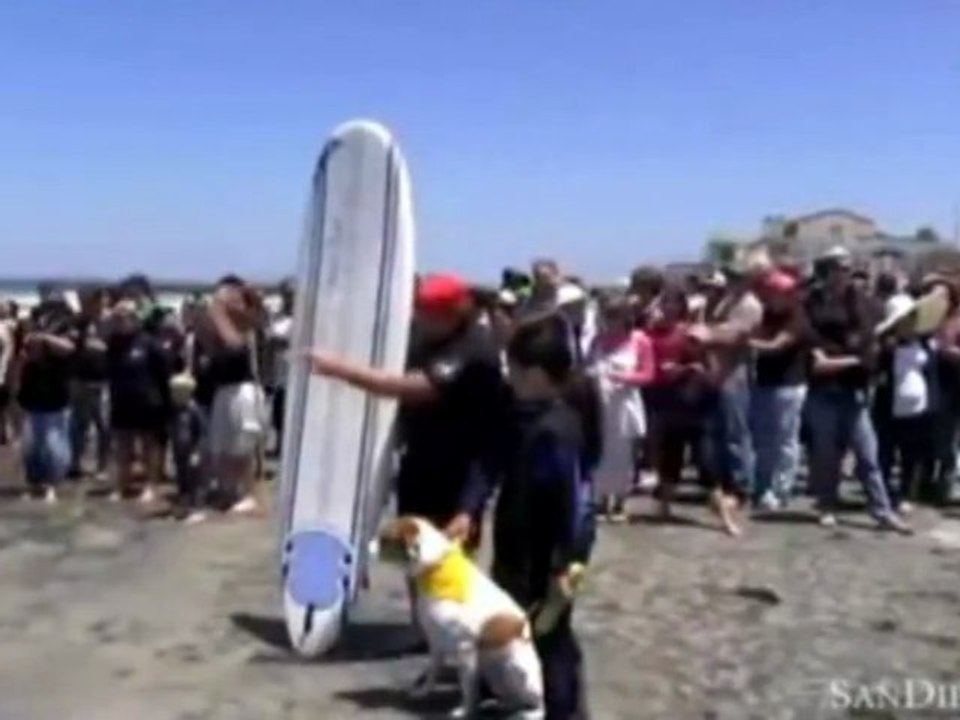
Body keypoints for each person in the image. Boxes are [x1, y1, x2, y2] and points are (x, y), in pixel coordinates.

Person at [307, 273, 507, 634]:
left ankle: (455, 635)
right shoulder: (425, 336)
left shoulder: (474, 349)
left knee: (449, 560)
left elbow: (414, 389)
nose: (422, 320)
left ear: (456, 312)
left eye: (431, 314)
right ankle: (424, 631)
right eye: (421, 312)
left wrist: (338, 369)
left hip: (461, 470)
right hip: (421, 460)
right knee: (410, 552)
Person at [452, 313, 593, 720]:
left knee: (549, 634)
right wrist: (468, 508)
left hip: (553, 557)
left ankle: (564, 711)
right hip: (517, 543)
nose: (506, 375)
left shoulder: (559, 429)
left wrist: (566, 564)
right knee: (505, 618)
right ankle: (500, 691)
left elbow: (576, 503)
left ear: (534, 373)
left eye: (510, 368)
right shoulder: (519, 415)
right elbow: (490, 460)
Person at [803, 247, 910, 532]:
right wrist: (827, 357)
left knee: (868, 454)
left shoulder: (865, 303)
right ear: (826, 271)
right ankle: (826, 505)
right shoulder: (811, 302)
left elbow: (868, 347)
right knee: (826, 453)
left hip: (854, 389)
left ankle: (882, 511)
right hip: (822, 389)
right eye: (839, 267)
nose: (845, 273)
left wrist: (841, 360)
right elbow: (811, 341)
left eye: (848, 268)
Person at [205, 276, 267, 516]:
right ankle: (231, 490)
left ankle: (249, 494)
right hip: (224, 388)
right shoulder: (222, 325)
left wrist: (222, 310)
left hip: (243, 389)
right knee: (224, 444)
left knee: (243, 445)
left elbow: (236, 345)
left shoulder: (246, 324)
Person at [587, 296, 653, 522]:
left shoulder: (640, 340)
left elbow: (648, 374)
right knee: (602, 453)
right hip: (600, 403)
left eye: (614, 317)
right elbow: (588, 366)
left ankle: (620, 501)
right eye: (607, 317)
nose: (610, 322)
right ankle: (601, 499)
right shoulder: (597, 341)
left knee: (624, 455)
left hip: (624, 404)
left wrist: (626, 377)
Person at [749, 270, 810, 510]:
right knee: (764, 440)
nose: (769, 297)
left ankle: (781, 489)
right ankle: (762, 488)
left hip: (789, 385)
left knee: (785, 440)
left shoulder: (797, 317)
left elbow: (776, 345)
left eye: (775, 292)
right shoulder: (765, 315)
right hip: (764, 383)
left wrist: (744, 342)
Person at [105, 300, 171, 503]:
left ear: (135, 319)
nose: (119, 322)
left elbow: (164, 374)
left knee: (149, 446)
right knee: (122, 447)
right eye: (116, 318)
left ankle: (151, 486)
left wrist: (165, 404)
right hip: (121, 402)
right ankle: (120, 486)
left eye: (123, 317)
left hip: (148, 403)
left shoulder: (149, 343)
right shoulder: (113, 343)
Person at [15, 290, 76, 503]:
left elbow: (69, 348)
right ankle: (34, 484)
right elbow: (23, 356)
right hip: (31, 391)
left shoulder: (68, 326)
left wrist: (45, 339)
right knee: (31, 444)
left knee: (53, 443)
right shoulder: (31, 325)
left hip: (55, 393)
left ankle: (51, 485)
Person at [68, 286, 110, 480]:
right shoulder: (78, 322)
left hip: (103, 379)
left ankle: (103, 466)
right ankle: (75, 462)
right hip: (79, 378)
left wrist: (101, 347)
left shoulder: (110, 322)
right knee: (78, 423)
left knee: (103, 424)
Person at [167, 373, 207, 522]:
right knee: (182, 479)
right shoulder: (175, 410)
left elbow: (201, 432)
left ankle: (197, 508)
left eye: (177, 392)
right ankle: (184, 506)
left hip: (192, 451)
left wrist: (197, 451)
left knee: (194, 482)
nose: (174, 395)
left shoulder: (194, 410)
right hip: (179, 451)